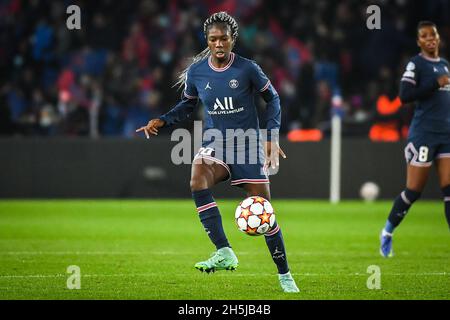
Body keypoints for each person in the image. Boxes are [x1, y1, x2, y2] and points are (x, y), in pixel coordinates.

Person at [136, 12, 299, 292]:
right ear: (207, 41)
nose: (219, 43)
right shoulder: (197, 71)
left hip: (247, 146)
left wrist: (271, 135)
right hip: (216, 144)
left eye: (224, 38)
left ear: (233, 39)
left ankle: (284, 275)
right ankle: (224, 250)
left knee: (265, 213)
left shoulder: (248, 69)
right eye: (213, 39)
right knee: (197, 177)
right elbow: (187, 105)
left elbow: (272, 98)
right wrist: (163, 120)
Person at [380, 21, 450, 257]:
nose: (430, 38)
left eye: (433, 34)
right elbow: (404, 96)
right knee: (414, 191)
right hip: (424, 135)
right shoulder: (416, 64)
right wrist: (433, 84)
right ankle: (387, 233)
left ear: (438, 38)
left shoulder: (445, 65)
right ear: (419, 41)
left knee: (449, 189)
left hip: (446, 135)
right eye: (424, 36)